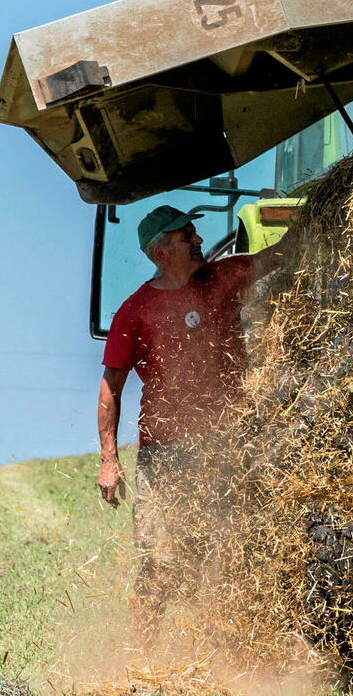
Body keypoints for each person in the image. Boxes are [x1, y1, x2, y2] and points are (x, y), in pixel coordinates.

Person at [96, 204, 287, 640]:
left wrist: (325, 209)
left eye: (194, 233)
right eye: (187, 236)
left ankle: (233, 646)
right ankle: (143, 654)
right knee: (161, 558)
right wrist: (110, 461)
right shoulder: (135, 311)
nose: (199, 240)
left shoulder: (222, 277)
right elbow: (110, 388)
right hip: (169, 454)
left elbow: (278, 256)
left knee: (238, 551)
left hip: (232, 444)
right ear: (161, 251)